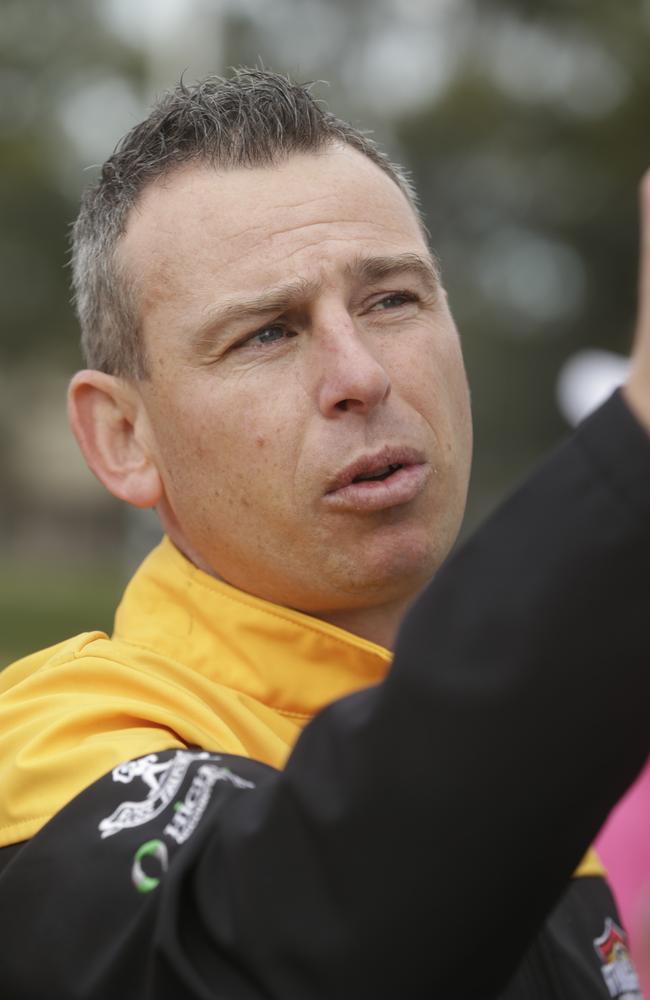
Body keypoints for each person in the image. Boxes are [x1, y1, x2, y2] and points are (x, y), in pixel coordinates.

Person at [0, 68, 649, 999]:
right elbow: (281, 951)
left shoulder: (521, 748)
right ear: (123, 437)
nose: (361, 374)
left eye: (392, 300)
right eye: (267, 333)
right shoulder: (46, 752)